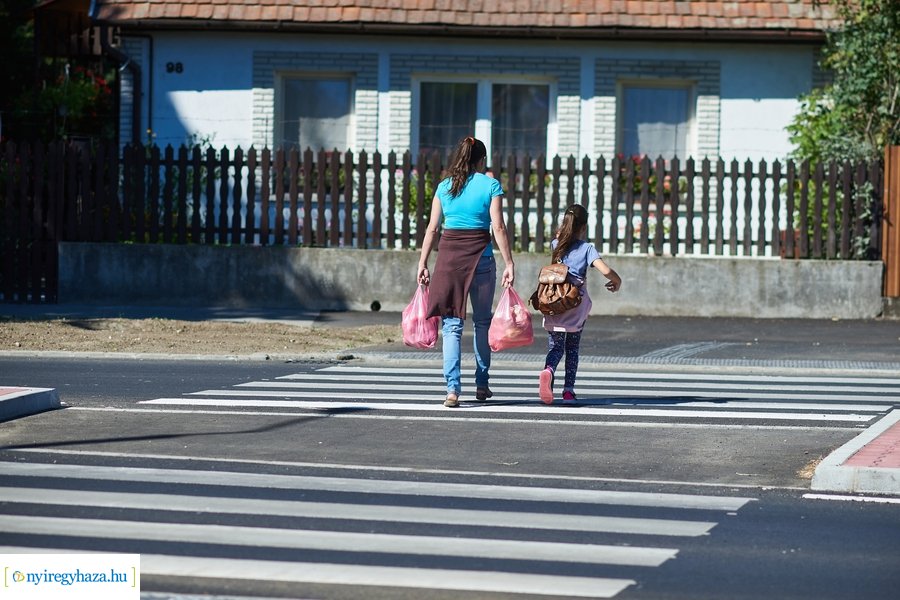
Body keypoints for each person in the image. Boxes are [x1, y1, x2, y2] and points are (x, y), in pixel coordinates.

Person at [417, 136, 515, 408]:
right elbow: (498, 228)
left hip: (448, 262)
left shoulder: (444, 187)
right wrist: (509, 262)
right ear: (481, 160)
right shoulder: (490, 185)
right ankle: (482, 383)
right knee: (482, 322)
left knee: (451, 324)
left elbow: (433, 229)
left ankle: (452, 390)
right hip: (481, 260)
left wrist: (423, 262)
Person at [539, 204, 621, 404]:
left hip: (554, 301)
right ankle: (568, 391)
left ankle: (548, 370)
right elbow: (604, 269)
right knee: (572, 347)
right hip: (575, 304)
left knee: (555, 346)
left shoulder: (555, 245)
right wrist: (617, 280)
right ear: (583, 227)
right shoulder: (587, 249)